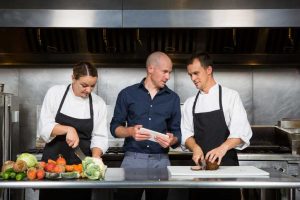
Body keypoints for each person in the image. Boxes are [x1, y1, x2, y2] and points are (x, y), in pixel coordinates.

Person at [110, 51, 181, 200]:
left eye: (170, 72)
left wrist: (172, 139)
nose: (168, 77)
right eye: (165, 71)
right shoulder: (127, 94)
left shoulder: (173, 98)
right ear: (150, 69)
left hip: (161, 161)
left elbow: (177, 133)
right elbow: (115, 127)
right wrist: (130, 131)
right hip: (133, 160)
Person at [181, 53, 252, 200]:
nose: (193, 79)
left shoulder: (230, 96)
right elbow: (186, 133)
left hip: (226, 166)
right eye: (190, 75)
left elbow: (241, 132)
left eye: (196, 73)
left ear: (209, 70)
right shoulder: (190, 103)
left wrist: (222, 148)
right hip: (199, 168)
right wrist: (195, 147)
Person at [38, 62, 108, 200]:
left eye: (93, 86)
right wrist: (67, 129)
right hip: (53, 165)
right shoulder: (55, 93)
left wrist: (95, 158)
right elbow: (44, 127)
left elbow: (100, 136)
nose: (88, 90)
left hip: (81, 168)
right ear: (73, 78)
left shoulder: (98, 103)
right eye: (84, 85)